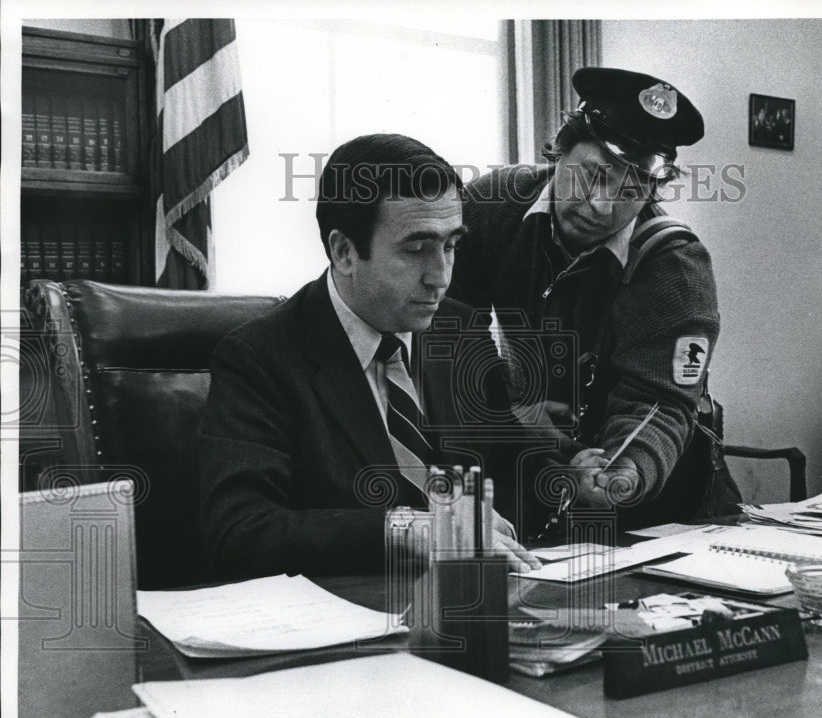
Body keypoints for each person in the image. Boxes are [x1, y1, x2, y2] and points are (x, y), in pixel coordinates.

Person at [199, 133, 541, 578]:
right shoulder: (259, 357)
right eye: (416, 249)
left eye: (451, 245)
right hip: (345, 625)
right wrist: (404, 529)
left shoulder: (457, 331)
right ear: (344, 252)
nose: (440, 277)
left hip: (468, 608)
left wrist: (566, 481)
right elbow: (239, 531)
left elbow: (514, 465)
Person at [449, 67, 721, 528]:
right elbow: (449, 331)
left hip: (647, 497)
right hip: (525, 461)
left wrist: (625, 470)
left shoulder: (675, 265)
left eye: (632, 189)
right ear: (561, 147)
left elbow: (660, 401)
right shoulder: (492, 203)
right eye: (594, 175)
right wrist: (505, 410)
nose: (601, 205)